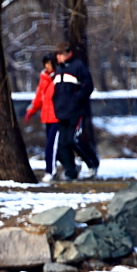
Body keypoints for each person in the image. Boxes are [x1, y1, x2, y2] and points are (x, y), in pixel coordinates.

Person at [51, 41, 99, 180]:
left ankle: (92, 163)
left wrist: (76, 99)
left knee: (74, 140)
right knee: (62, 144)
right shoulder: (58, 70)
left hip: (75, 112)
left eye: (61, 54)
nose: (58, 57)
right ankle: (70, 171)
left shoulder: (78, 66)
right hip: (61, 112)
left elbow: (88, 86)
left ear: (69, 53)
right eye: (57, 55)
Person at [24, 54, 59, 182]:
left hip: (58, 116)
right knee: (53, 144)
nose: (48, 66)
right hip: (47, 116)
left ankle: (50, 170)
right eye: (46, 64)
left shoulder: (58, 78)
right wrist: (31, 110)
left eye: (50, 64)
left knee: (52, 145)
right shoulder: (43, 78)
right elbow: (39, 97)